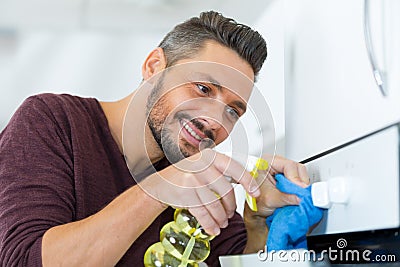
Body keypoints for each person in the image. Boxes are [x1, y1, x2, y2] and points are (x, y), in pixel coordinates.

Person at [0, 11, 309, 266]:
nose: (215, 120)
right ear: (154, 67)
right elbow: (23, 260)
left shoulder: (197, 177)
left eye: (232, 111)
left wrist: (256, 229)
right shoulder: (52, 120)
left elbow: (232, 258)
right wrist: (159, 189)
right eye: (202, 88)